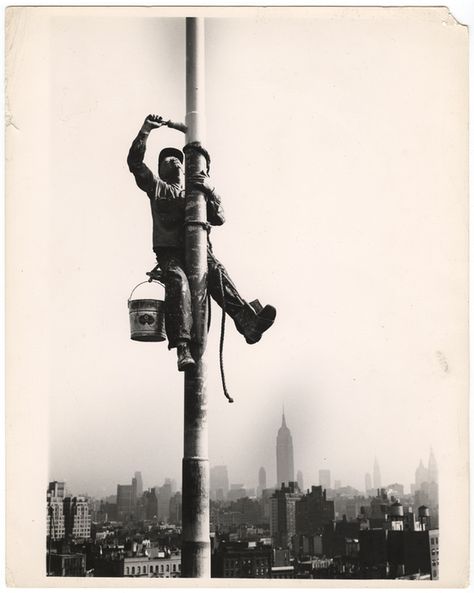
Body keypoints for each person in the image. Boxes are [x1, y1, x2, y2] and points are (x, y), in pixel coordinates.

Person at [127, 114, 276, 371]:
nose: (173, 160)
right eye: (166, 158)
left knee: (218, 276)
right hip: (171, 253)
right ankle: (182, 348)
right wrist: (145, 131)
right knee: (178, 284)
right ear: (160, 168)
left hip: (199, 251)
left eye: (177, 158)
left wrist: (210, 190)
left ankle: (249, 324)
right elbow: (135, 163)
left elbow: (219, 218)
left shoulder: (195, 192)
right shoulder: (157, 187)